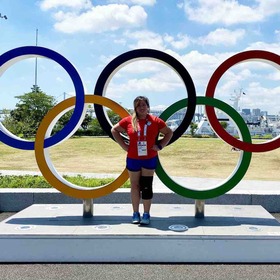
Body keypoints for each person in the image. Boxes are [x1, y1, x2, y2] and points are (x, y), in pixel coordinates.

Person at [111, 96, 173, 225]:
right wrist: (124, 146)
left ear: (148, 106)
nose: (142, 107)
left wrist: (160, 145)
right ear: (135, 108)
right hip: (133, 158)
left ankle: (146, 214)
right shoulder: (129, 121)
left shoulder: (156, 121)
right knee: (134, 186)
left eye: (144, 104)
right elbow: (114, 130)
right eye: (139, 105)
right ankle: (135, 213)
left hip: (149, 158)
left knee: (146, 186)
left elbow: (169, 133)